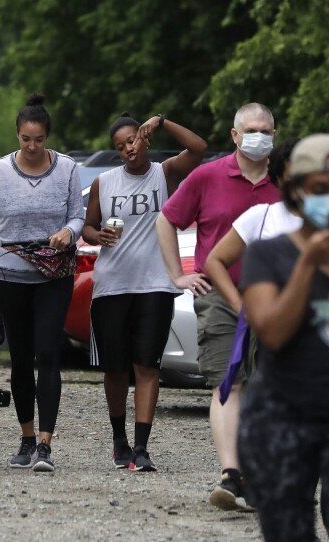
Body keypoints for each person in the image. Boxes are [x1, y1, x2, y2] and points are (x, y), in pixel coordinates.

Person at [156, 102, 279, 511]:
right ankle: (231, 474)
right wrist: (179, 274)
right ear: (235, 135)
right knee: (229, 380)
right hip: (220, 297)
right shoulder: (208, 176)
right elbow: (166, 219)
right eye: (251, 130)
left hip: (278, 297)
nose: (258, 136)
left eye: (265, 130)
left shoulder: (286, 183)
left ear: (274, 136)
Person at [0, 93, 84, 472]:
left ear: (47, 137)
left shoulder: (68, 169)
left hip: (53, 274)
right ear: (17, 135)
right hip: (9, 272)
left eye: (39, 140)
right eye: (26, 139)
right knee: (21, 357)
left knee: (48, 352)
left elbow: (77, 216)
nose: (32, 146)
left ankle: (45, 443)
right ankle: (26, 438)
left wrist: (67, 233)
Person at [81, 113, 206, 471]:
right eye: (119, 146)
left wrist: (162, 121)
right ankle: (119, 439)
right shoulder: (103, 183)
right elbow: (88, 228)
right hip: (112, 286)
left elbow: (198, 148)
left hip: (155, 283)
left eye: (132, 141)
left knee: (147, 365)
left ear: (144, 138)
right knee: (116, 369)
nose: (127, 150)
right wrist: (98, 235)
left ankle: (141, 447)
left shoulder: (163, 173)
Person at [237, 133, 329, 541]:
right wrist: (308, 263)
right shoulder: (269, 255)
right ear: (296, 192)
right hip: (280, 421)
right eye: (321, 189)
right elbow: (272, 331)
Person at [205, 139, 302, 315]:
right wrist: (241, 308)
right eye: (292, 177)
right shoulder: (262, 216)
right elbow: (215, 261)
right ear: (279, 180)